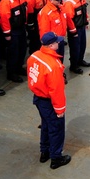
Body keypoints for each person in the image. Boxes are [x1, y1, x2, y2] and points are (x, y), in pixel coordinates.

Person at [27, 31, 70, 169]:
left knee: (46, 125)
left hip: (38, 98)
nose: (59, 43)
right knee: (56, 129)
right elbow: (56, 90)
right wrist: (60, 109)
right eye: (57, 42)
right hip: (49, 101)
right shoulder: (53, 65)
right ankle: (56, 158)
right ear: (51, 45)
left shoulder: (34, 56)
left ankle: (44, 152)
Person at [0, 0, 28, 82]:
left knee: (22, 50)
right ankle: (11, 73)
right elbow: (4, 19)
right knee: (13, 52)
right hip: (13, 31)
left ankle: (19, 67)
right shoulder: (6, 1)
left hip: (21, 28)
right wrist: (7, 33)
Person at [38, 0, 74, 70]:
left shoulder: (60, 8)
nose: (59, 1)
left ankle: (60, 71)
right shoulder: (45, 13)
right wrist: (47, 44)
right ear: (51, 0)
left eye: (60, 0)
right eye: (57, 0)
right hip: (52, 43)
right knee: (53, 60)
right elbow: (44, 30)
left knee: (60, 58)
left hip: (60, 39)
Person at [62, 0, 90, 70]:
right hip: (75, 28)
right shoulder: (69, 3)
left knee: (82, 45)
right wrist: (73, 31)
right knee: (75, 47)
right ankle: (74, 65)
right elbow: (69, 18)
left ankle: (80, 60)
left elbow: (84, 10)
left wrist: (86, 21)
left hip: (82, 26)